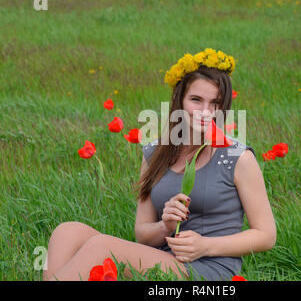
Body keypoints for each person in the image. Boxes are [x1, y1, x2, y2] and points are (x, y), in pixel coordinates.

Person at [42, 48, 276, 281]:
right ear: (179, 100)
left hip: (206, 269)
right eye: (196, 100)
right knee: (67, 232)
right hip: (160, 257)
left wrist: (205, 246)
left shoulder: (237, 157)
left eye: (215, 103)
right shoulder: (155, 153)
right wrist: (165, 225)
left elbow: (266, 235)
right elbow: (142, 235)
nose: (206, 111)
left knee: (102, 246)